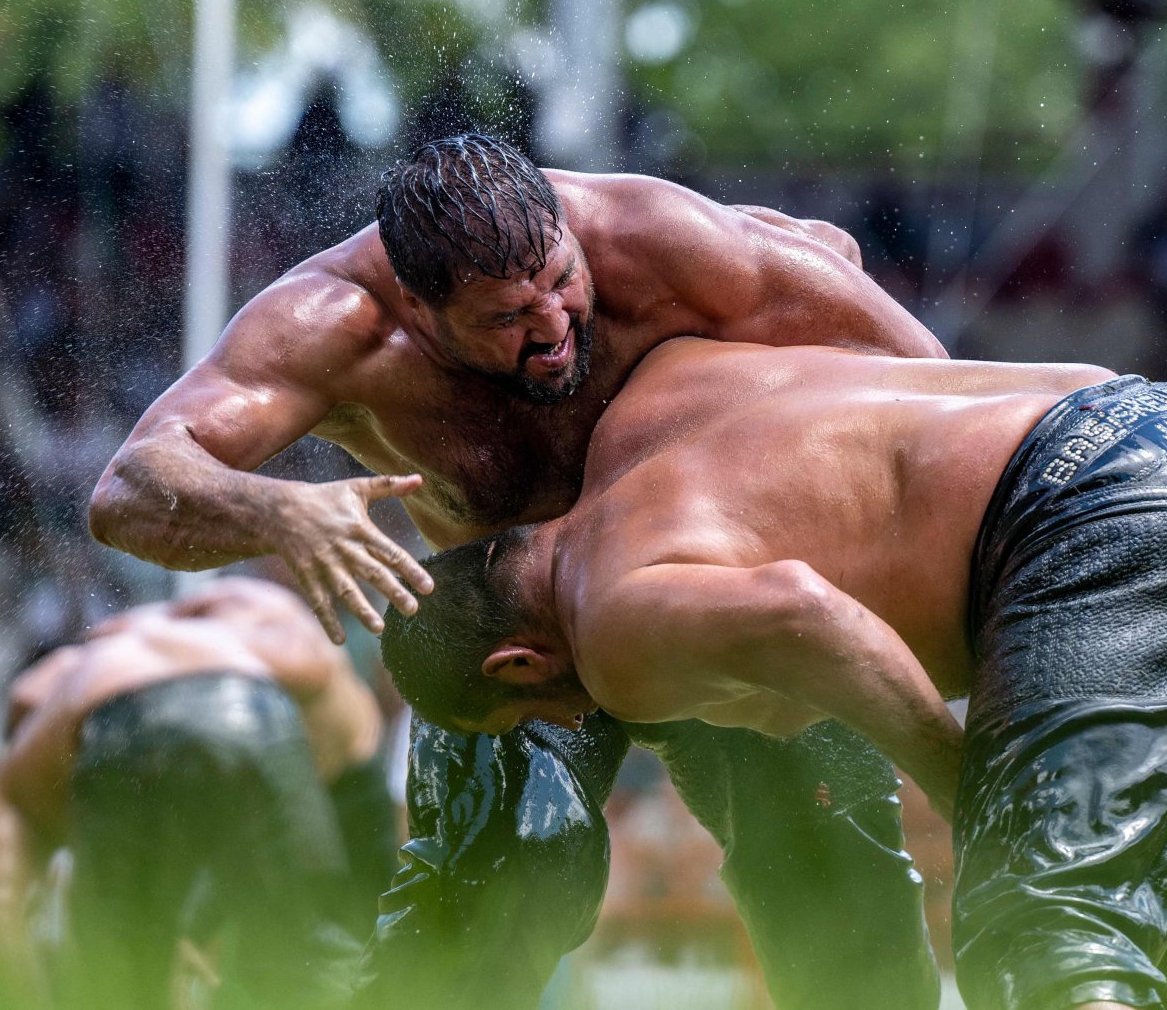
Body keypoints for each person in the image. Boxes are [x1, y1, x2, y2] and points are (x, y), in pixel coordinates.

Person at [89, 134, 948, 1008]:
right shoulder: (332, 327)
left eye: (560, 279)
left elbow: (944, 393)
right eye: (504, 319)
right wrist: (276, 512)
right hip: (513, 627)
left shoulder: (661, 242)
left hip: (707, 585)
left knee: (838, 879)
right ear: (419, 311)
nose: (552, 325)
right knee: (505, 875)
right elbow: (128, 490)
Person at [383, 339, 1167, 1010]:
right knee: (1153, 950)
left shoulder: (608, 625)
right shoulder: (654, 403)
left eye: (533, 717)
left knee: (1042, 938)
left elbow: (807, 616)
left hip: (1099, 512)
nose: (570, 722)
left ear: (518, 663)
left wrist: (973, 797)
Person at [0, 577, 390, 1010]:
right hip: (257, 703)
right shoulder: (245, 616)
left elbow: (8, 903)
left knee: (122, 977)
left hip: (122, 721)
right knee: (306, 956)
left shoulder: (41, 702)